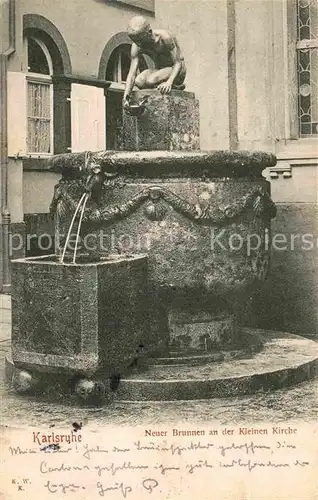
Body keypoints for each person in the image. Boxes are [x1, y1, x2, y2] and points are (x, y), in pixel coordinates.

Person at [123, 16, 186, 110]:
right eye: (136, 41)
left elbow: (178, 62)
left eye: (141, 40)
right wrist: (126, 96)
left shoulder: (165, 37)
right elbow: (132, 74)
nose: (139, 44)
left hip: (177, 71)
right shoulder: (137, 45)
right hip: (159, 71)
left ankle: (176, 85)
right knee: (138, 81)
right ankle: (158, 84)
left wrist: (169, 82)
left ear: (149, 32)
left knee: (150, 80)